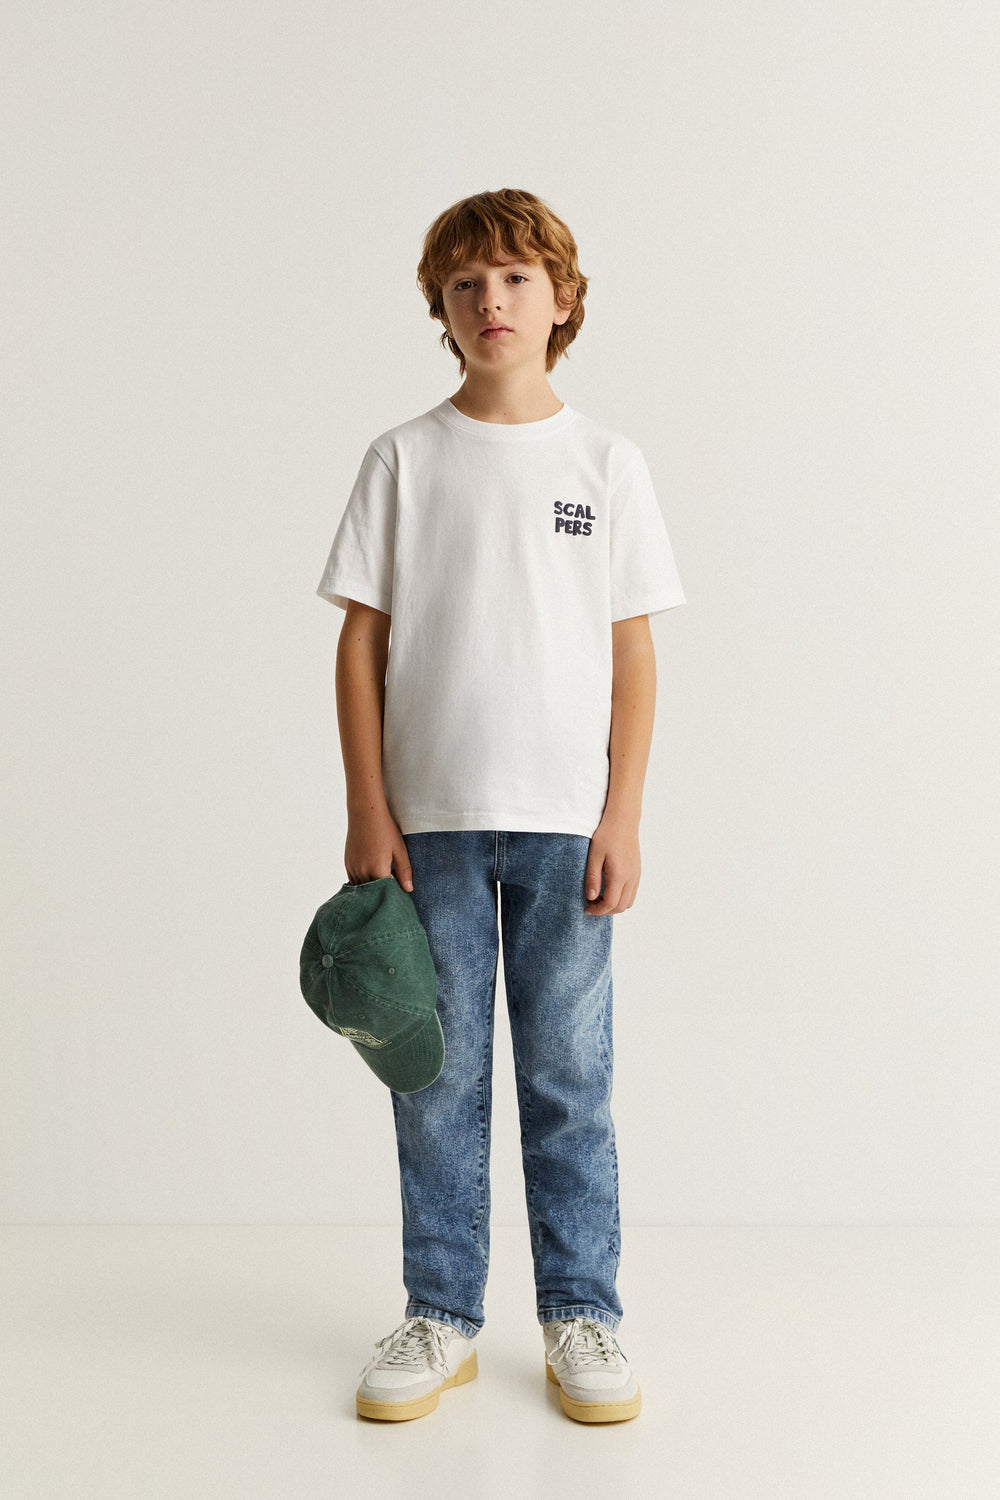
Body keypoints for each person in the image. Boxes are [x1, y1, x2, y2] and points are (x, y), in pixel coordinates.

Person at [315, 188, 686, 1424]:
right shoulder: (404, 459)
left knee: (569, 1080)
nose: (492, 302)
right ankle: (442, 1312)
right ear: (440, 305)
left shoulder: (606, 465)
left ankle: (583, 1312)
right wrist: (368, 809)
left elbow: (632, 654)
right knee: (433, 1081)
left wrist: (622, 816)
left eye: (517, 278)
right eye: (466, 283)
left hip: (566, 827)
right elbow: (359, 647)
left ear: (562, 300)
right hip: (425, 827)